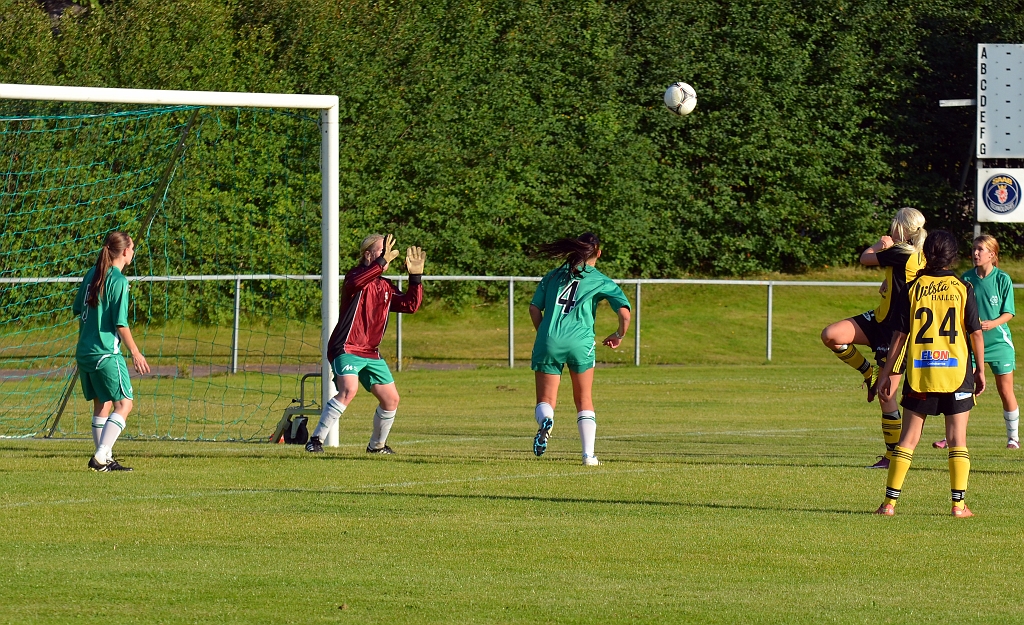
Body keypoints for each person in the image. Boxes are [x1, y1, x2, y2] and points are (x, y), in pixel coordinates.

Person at [875, 230, 985, 518]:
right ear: (952, 256)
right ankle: (958, 506)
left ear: (926, 254)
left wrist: (886, 373)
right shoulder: (963, 287)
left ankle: (888, 504)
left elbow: (899, 336)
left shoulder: (913, 288)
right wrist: (981, 370)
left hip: (922, 371)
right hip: (956, 371)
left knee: (908, 439)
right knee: (957, 439)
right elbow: (975, 333)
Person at [820, 207, 926, 469]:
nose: (890, 229)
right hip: (879, 319)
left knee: (887, 394)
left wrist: (879, 245)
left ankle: (892, 456)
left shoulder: (902, 251)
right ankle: (867, 372)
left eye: (893, 225)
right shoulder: (915, 254)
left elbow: (865, 258)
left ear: (901, 228)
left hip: (897, 331)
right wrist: (888, 282)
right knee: (832, 335)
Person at [305, 234, 424, 454]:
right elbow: (358, 282)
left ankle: (376, 447)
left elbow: (410, 305)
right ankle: (315, 441)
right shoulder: (355, 277)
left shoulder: (385, 286)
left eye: (388, 252)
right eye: (382, 251)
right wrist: (380, 264)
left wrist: (415, 277)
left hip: (371, 353)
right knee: (349, 389)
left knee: (391, 399)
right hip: (346, 347)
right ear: (367, 255)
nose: (387, 256)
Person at [529, 233, 631, 465]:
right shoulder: (600, 279)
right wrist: (618, 335)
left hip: (549, 340)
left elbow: (534, 309)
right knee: (583, 398)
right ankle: (588, 455)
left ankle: (546, 420)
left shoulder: (553, 275)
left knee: (546, 399)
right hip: (580, 343)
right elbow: (624, 314)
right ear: (598, 252)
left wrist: (544, 334)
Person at [73, 231, 150, 472]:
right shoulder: (119, 281)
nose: (134, 253)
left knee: (102, 404)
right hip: (106, 353)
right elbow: (120, 323)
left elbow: (77, 308)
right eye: (133, 248)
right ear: (125, 251)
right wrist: (136, 353)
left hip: (85, 352)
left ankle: (104, 461)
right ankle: (100, 456)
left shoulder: (91, 275)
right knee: (125, 404)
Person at [934, 234, 1019, 450]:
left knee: (1005, 390)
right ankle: (952, 436)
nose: (976, 253)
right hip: (970, 344)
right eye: (974, 249)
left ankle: (1013, 438)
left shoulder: (1003, 279)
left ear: (992, 254)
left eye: (980, 249)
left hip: (999, 344)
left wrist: (992, 323)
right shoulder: (966, 278)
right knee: (962, 390)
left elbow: (1009, 313)